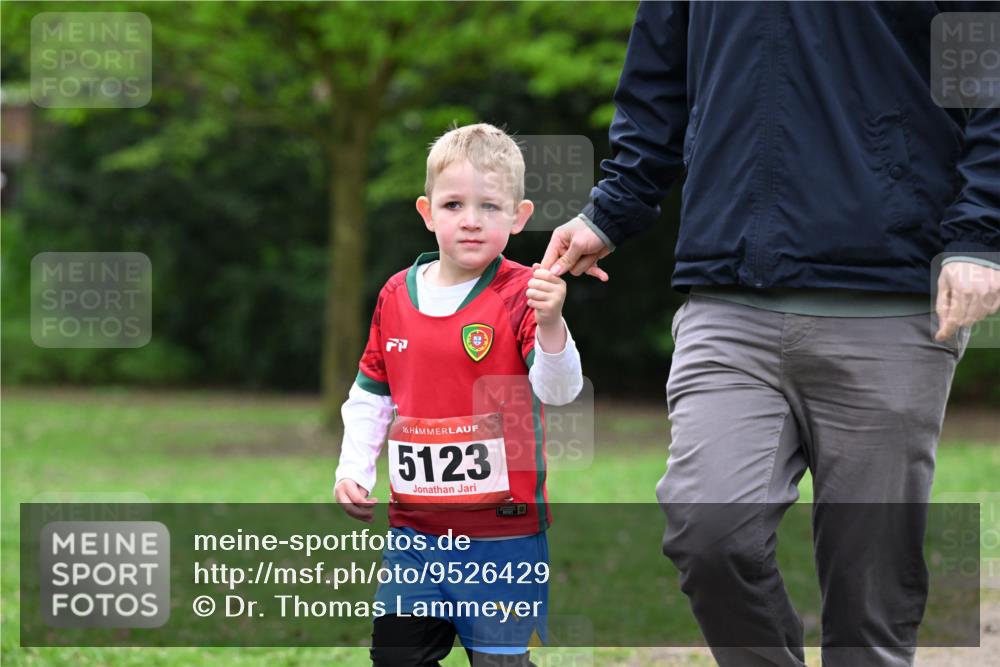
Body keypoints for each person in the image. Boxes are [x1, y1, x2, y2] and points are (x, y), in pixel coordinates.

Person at [541, 3, 1000, 667]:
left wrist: (981, 234)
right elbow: (657, 80)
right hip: (727, 291)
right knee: (708, 530)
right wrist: (613, 207)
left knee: (869, 596)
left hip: (889, 295)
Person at [335, 123, 584, 667]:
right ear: (427, 212)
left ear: (519, 217)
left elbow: (559, 391)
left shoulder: (524, 291)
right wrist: (353, 470)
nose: (471, 220)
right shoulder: (396, 294)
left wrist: (552, 324)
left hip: (503, 538)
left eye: (490, 207)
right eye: (453, 204)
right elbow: (370, 395)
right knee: (396, 657)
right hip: (416, 537)